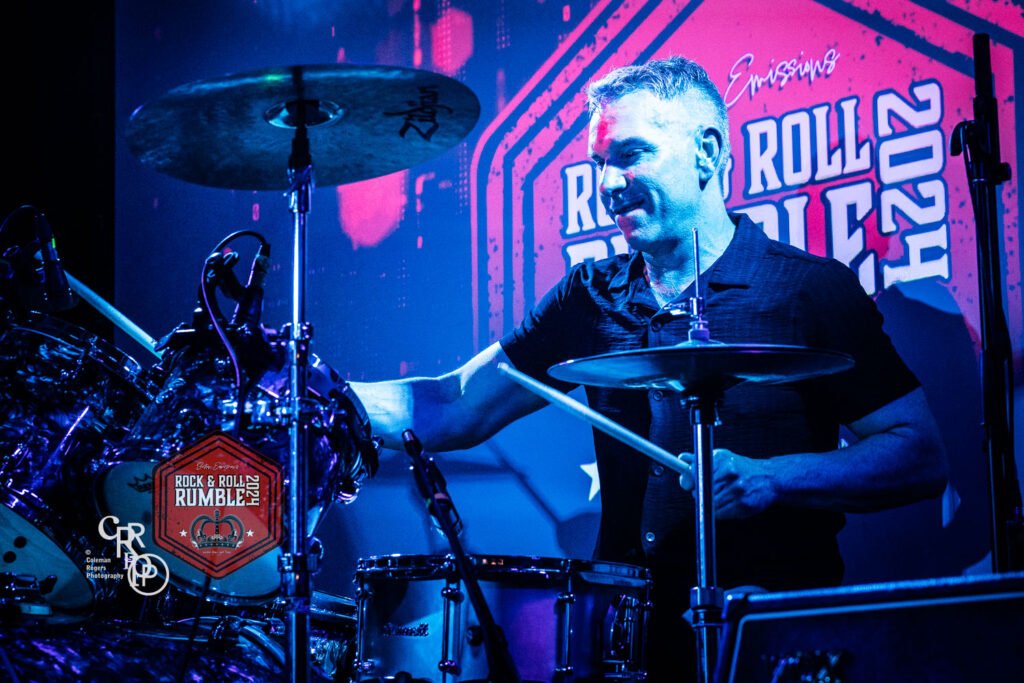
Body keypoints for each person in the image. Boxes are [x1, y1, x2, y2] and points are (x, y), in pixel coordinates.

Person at [349, 56, 947, 680]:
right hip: (624, 653)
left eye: (631, 155)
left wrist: (774, 479)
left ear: (706, 152)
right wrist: (319, 393)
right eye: (599, 163)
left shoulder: (807, 290)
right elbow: (454, 406)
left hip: (771, 647)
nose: (608, 183)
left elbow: (919, 452)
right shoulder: (589, 297)